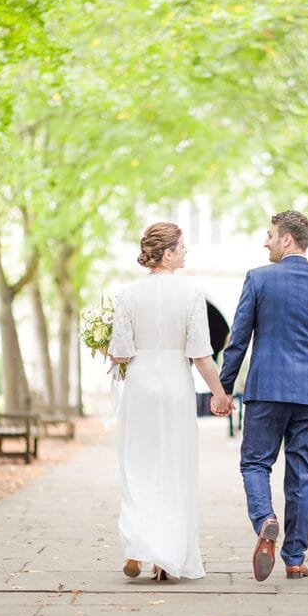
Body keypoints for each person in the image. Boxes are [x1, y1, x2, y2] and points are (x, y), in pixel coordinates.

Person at [214, 210, 308, 581]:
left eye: (270, 234)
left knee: (255, 463)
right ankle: (295, 557)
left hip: (266, 390)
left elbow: (238, 340)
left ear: (287, 239)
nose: (265, 241)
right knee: (301, 473)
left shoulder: (258, 279)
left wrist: (223, 389)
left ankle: (265, 519)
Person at [108, 222, 229, 581]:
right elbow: (201, 355)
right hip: (176, 387)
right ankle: (166, 557)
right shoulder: (192, 293)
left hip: (141, 386)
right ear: (168, 252)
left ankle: (137, 548)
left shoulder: (128, 294)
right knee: (174, 470)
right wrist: (220, 394)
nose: (186, 252)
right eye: (182, 246)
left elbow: (121, 353)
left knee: (139, 467)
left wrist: (109, 350)